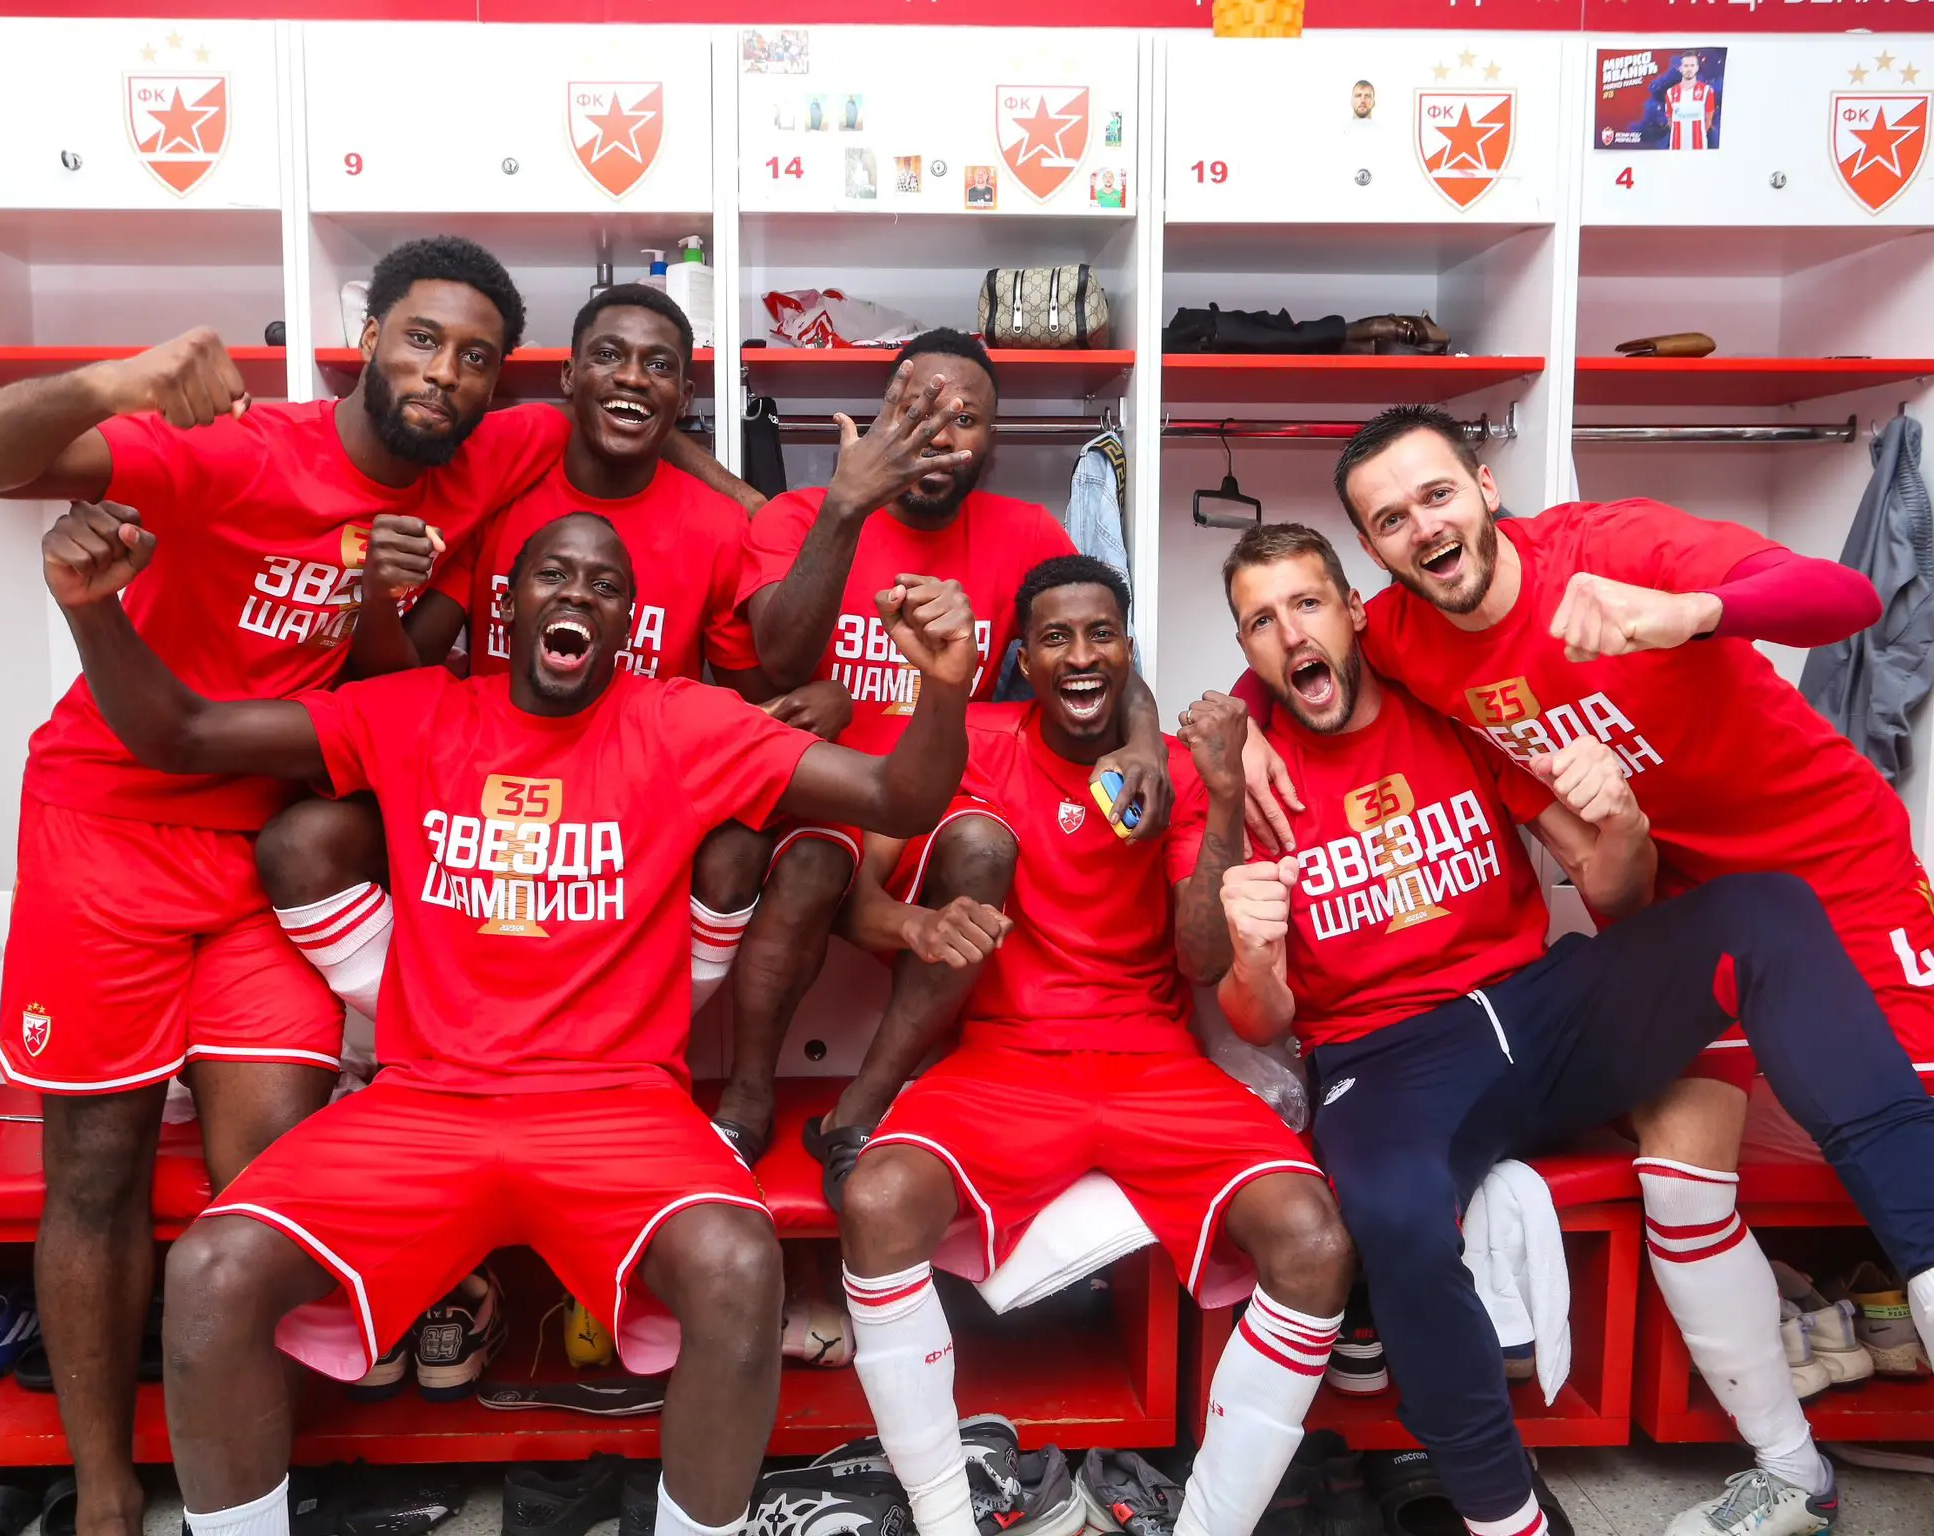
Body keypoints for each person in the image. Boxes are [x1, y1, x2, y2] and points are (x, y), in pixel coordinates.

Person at [38, 502, 984, 1536]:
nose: (578, 593)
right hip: (425, 1102)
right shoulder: (414, 710)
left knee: (737, 1262)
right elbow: (181, 731)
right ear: (510, 602)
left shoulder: (682, 722)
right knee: (212, 1271)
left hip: (616, 1106)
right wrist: (95, 613)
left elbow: (898, 792)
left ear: (627, 619)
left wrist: (942, 682)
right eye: (554, 575)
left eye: (606, 584)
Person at [0, 236, 568, 1536]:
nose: (444, 373)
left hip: (255, 856)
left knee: (273, 1167)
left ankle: (262, 1479)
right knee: (98, 1170)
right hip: (102, 827)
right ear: (368, 338)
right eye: (421, 339)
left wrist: (800, 498)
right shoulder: (241, 451)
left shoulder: (490, 453)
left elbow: (624, 429)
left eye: (473, 358)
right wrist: (118, 377)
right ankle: (105, 1491)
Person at [1228, 514, 1934, 1536]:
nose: (1289, 634)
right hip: (1380, 1058)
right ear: (1243, 648)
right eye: (1258, 621)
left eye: (1305, 604)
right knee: (1386, 1212)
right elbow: (1255, 1012)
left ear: (1354, 612)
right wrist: (1251, 935)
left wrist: (1620, 824)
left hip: (1536, 1012)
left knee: (1766, 911)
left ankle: (1920, 1267)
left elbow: (1618, 892)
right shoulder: (1244, 773)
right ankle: (1505, 1516)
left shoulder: (1460, 697)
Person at [836, 555, 1350, 1536]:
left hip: (1152, 1062)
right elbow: (861, 892)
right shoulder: (980, 744)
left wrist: (1222, 801)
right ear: (1021, 657)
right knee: (874, 1202)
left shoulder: (1169, 778)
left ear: (1127, 648)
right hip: (1008, 1057)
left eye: (1100, 634)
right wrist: (917, 927)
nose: (1080, 656)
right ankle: (946, 1519)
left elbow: (1202, 960)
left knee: (1314, 1242)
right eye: (1056, 638)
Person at [252, 284, 849, 1087]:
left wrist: (822, 699)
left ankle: (631, 1036)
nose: (633, 379)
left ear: (684, 393)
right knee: (301, 838)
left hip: (622, 820)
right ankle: (426, 1032)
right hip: (470, 805)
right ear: (568, 379)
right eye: (609, 358)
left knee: (740, 841)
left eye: (659, 367)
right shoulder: (508, 490)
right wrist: (374, 601)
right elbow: (406, 680)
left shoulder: (713, 526)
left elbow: (748, 694)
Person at [711, 330, 1173, 1181]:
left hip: (943, 788)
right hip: (828, 798)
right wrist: (846, 507)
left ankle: (861, 1112)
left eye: (965, 420)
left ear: (992, 441)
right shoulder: (797, 515)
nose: (939, 436)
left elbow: (1106, 657)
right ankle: (745, 1098)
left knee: (988, 846)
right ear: (886, 412)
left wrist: (1143, 743)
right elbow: (776, 656)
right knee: (813, 864)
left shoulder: (1024, 530)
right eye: (917, 411)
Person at [1665, 52, 1715, 151]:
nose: (1689, 69)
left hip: (1699, 148)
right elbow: (1670, 121)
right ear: (1680, 68)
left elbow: (1708, 121)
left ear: (1697, 67)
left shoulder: (1706, 91)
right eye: (1686, 66)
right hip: (1676, 148)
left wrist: (1698, 133)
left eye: (1692, 65)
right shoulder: (1670, 92)